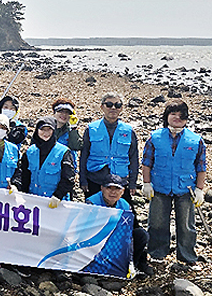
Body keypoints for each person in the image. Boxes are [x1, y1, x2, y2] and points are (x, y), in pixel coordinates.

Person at [141, 99, 207, 266]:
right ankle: (156, 254)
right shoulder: (155, 137)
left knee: (186, 225)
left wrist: (200, 189)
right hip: (159, 187)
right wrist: (146, 183)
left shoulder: (196, 140)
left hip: (186, 189)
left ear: (187, 118)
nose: (177, 118)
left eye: (181, 115)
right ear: (166, 116)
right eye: (173, 114)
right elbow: (147, 163)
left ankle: (187, 257)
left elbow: (201, 167)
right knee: (157, 223)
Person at [86, 174, 154, 276]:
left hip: (118, 240)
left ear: (122, 191)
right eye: (109, 188)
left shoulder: (125, 205)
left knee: (141, 234)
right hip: (97, 240)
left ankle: (133, 265)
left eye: (117, 189)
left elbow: (131, 229)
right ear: (102, 188)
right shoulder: (91, 203)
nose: (113, 192)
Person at [79, 92, 139, 206]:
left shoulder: (128, 131)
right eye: (109, 104)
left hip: (120, 181)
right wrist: (83, 180)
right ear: (102, 107)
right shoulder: (91, 129)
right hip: (95, 179)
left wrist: (132, 182)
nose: (113, 108)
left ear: (121, 108)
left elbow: (134, 158)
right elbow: (84, 156)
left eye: (117, 105)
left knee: (124, 212)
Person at [15, 117, 75, 208]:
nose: (46, 133)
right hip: (33, 201)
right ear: (37, 131)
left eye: (49, 130)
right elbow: (24, 175)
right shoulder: (30, 152)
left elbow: (68, 178)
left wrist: (58, 196)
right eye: (42, 129)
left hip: (56, 203)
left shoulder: (63, 152)